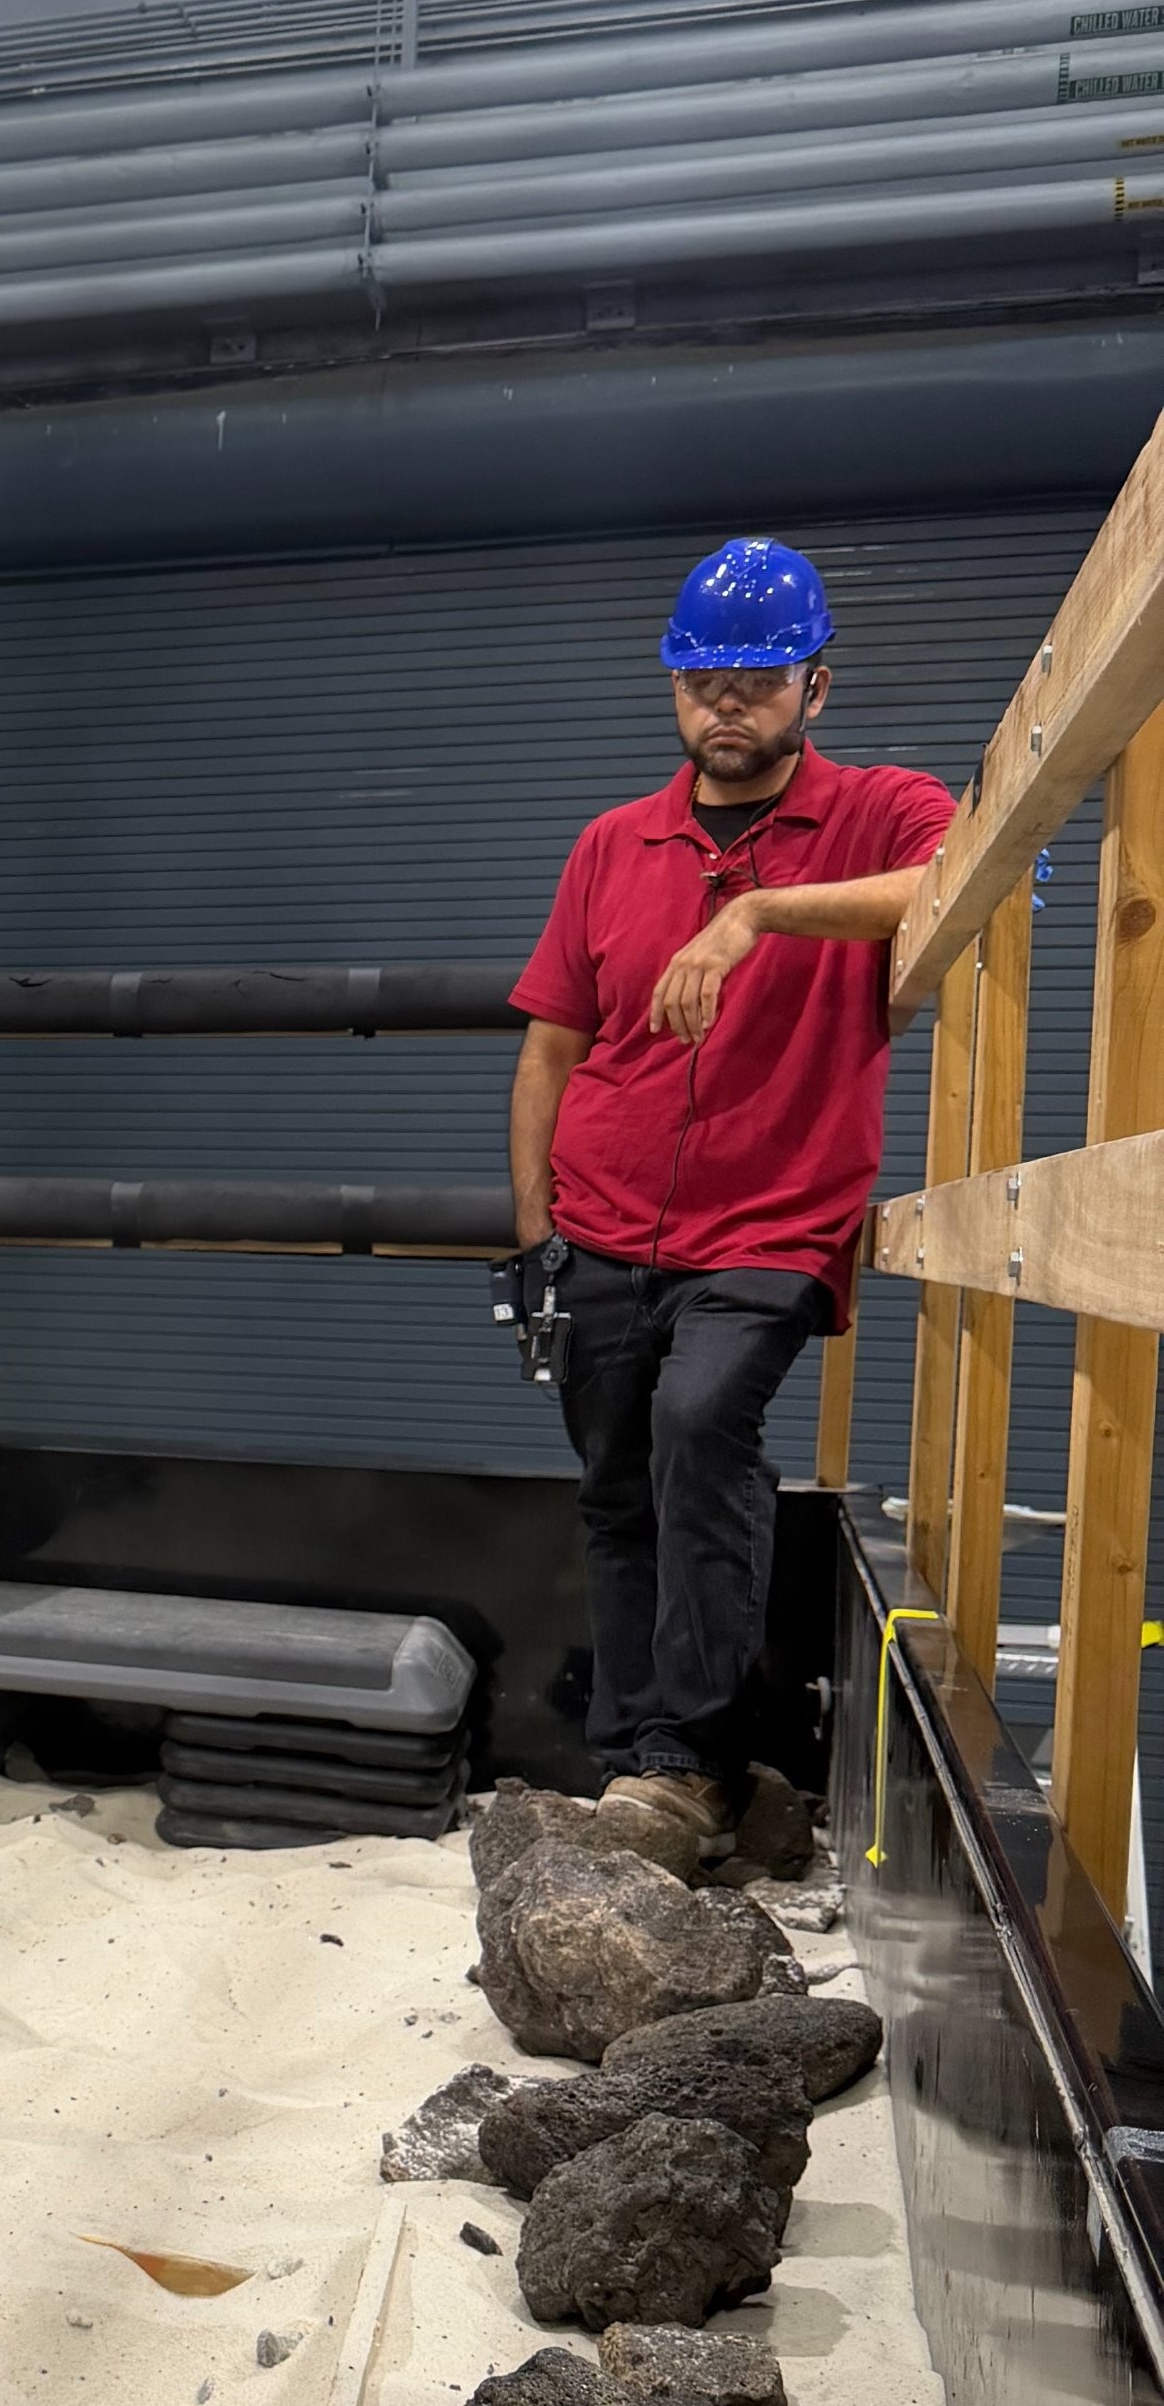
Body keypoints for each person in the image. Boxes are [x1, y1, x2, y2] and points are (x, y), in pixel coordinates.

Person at [507, 538, 956, 1848]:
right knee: (615, 1487)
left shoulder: (878, 809)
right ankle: (641, 1766)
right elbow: (548, 1049)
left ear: (817, 688)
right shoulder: (612, 844)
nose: (727, 705)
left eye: (759, 680)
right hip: (600, 1223)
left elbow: (977, 879)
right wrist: (536, 1237)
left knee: (701, 1428)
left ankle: (696, 1762)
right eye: (702, 679)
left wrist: (760, 916)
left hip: (770, 1220)